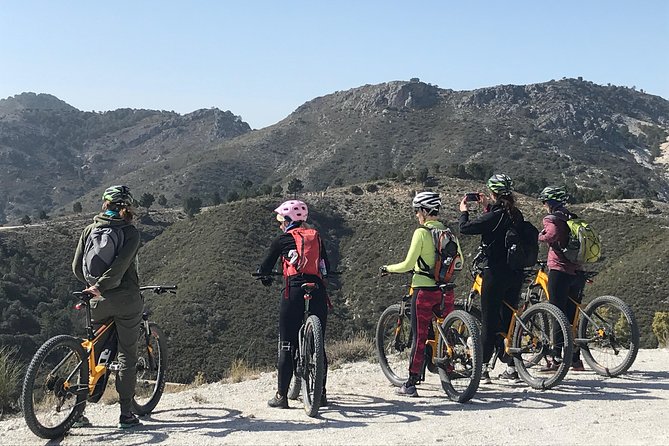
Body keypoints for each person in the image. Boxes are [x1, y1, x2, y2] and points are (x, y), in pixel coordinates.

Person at [71, 185, 143, 429]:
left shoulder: (89, 229)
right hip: (125, 300)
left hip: (96, 302)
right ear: (128, 206)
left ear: (104, 203)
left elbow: (76, 268)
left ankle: (77, 412)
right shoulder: (130, 232)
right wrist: (104, 285)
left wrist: (93, 287)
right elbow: (121, 267)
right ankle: (126, 414)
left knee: (90, 354)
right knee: (127, 354)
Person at [380, 191, 456, 397]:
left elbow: (407, 264)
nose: (416, 215)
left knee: (420, 336)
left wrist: (388, 268)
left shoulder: (421, 233)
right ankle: (447, 368)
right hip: (446, 291)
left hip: (424, 291)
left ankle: (411, 382)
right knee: (444, 331)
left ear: (424, 211)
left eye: (417, 211)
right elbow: (460, 263)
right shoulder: (450, 234)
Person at [257, 200, 331, 408]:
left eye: (281, 220)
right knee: (319, 346)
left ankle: (281, 396)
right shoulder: (316, 237)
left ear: (288, 221)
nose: (280, 224)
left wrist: (264, 276)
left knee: (287, 343)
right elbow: (326, 265)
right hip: (317, 291)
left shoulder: (282, 239)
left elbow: (265, 266)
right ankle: (322, 394)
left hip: (294, 290)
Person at [458, 174, 525, 383]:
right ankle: (513, 368)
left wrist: (464, 212)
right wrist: (488, 206)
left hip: (495, 273)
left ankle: (483, 369)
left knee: (489, 322)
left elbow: (465, 228)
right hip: (516, 272)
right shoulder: (516, 214)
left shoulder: (494, 216)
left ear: (493, 192)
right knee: (508, 320)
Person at [537, 186, 586, 371]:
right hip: (577, 271)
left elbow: (551, 234)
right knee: (571, 315)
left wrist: (538, 236)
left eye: (544, 202)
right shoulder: (572, 217)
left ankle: (556, 358)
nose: (543, 206)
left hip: (559, 270)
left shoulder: (551, 218)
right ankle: (575, 359)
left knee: (557, 314)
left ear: (549, 202)